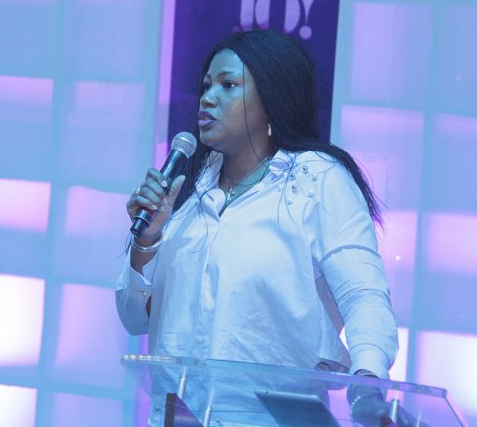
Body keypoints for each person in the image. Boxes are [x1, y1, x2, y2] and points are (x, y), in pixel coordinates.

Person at [116, 29, 398, 423]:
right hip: (180, 417)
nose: (207, 98)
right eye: (206, 86)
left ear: (271, 98)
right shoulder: (188, 186)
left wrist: (367, 382)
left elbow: (363, 295)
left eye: (228, 85)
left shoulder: (318, 180)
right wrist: (147, 241)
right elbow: (134, 318)